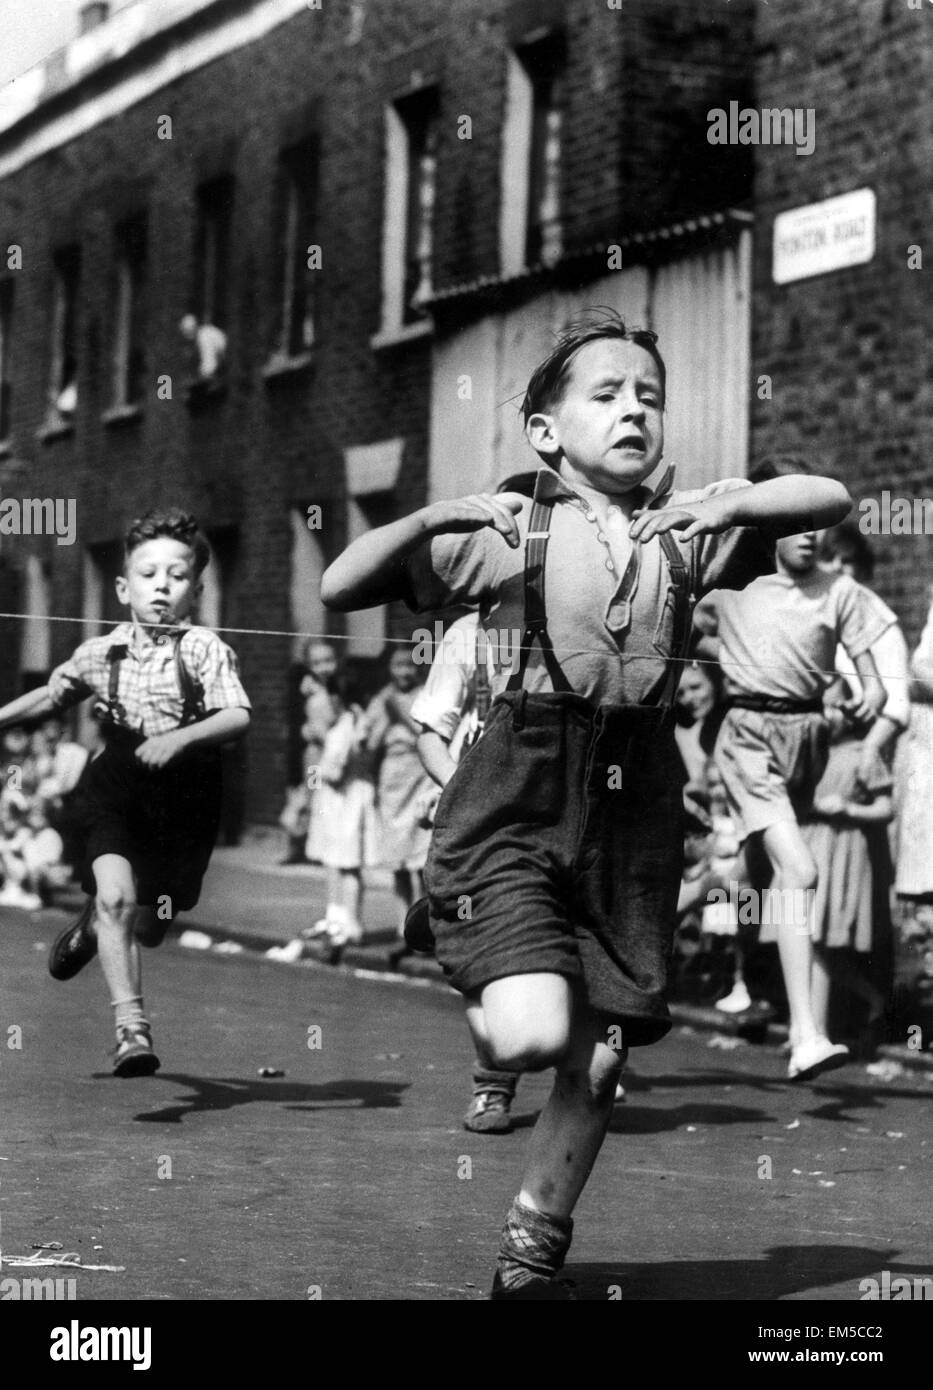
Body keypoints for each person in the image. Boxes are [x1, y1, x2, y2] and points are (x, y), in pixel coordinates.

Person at [321, 309, 852, 1299]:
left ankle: (534, 1239)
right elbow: (342, 581)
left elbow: (831, 496)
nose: (633, 410)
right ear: (546, 430)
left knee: (602, 1063)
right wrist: (434, 517)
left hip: (633, 806)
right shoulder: (509, 530)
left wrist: (732, 507)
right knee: (528, 1034)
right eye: (605, 394)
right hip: (517, 789)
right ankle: (463, 925)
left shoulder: (687, 532)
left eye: (649, 396)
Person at [0, 508, 251, 1077]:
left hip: (186, 793)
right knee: (117, 896)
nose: (162, 586)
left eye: (177, 576)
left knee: (154, 922)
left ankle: (93, 927)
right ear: (123, 587)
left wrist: (183, 739)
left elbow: (237, 715)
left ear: (197, 589)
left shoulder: (205, 649)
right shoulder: (101, 653)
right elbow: (53, 694)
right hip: (117, 783)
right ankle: (130, 1029)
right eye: (148, 574)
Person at [694, 467, 890, 1083]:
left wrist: (869, 696)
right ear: (767, 530)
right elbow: (679, 636)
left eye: (816, 526)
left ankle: (646, 956)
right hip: (749, 733)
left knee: (751, 877)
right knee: (799, 871)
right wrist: (731, 662)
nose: (809, 536)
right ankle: (806, 1035)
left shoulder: (839, 593)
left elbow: (873, 675)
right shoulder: (731, 590)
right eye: (793, 526)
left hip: (807, 739)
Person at [412, 612, 523, 1133]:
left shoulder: (578, 606)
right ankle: (491, 1085)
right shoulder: (467, 634)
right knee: (486, 954)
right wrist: (462, 790)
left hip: (556, 804)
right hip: (480, 817)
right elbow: (432, 733)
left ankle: (590, 1062)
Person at [800, 689, 891, 1043]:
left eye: (835, 708)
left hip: (840, 851)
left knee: (821, 941)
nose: (826, 716)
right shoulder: (811, 752)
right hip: (808, 846)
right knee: (806, 938)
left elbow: (886, 808)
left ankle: (817, 1030)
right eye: (819, 707)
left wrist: (849, 809)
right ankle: (867, 1002)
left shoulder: (863, 754)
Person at [303, 674, 379, 955]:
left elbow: (334, 770)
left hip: (343, 799)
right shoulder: (358, 720)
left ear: (337, 697)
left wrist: (316, 770)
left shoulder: (346, 724)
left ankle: (349, 925)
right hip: (353, 796)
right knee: (343, 862)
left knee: (343, 863)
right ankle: (341, 921)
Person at [365, 645, 433, 938]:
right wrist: (384, 720)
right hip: (393, 778)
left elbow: (429, 735)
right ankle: (403, 922)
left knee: (423, 857)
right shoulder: (382, 699)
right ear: (388, 668)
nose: (404, 671)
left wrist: (401, 715)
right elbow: (368, 744)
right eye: (397, 665)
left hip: (421, 776)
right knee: (399, 859)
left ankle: (428, 923)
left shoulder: (426, 696)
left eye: (409, 665)